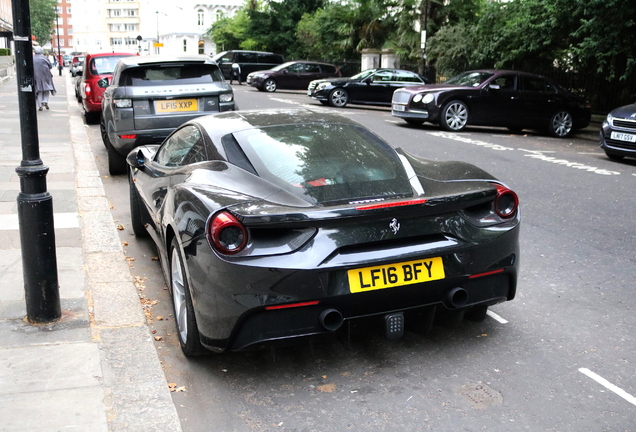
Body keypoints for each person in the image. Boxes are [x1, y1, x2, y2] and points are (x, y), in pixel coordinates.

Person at [33, 46, 56, 111]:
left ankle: (40, 105)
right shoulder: (45, 58)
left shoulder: (32, 58)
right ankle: (45, 101)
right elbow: (50, 66)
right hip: (46, 76)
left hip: (36, 76)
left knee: (39, 91)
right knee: (46, 90)